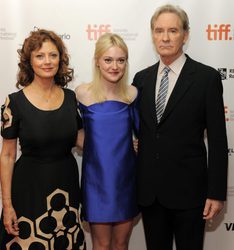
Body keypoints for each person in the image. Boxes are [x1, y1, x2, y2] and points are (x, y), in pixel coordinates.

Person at [132, 4, 228, 250]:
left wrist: (216, 193)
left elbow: (218, 141)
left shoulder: (206, 78)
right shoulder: (140, 80)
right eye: (159, 30)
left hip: (190, 194)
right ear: (152, 35)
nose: (165, 37)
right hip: (150, 195)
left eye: (173, 30)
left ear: (185, 35)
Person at [0, 29, 86, 249]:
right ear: (29, 61)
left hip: (66, 186)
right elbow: (7, 156)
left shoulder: (72, 98)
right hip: (29, 190)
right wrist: (7, 206)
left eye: (53, 55)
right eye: (40, 55)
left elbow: (82, 141)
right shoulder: (14, 102)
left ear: (60, 59)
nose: (47, 61)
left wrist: (121, 143)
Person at [75, 33, 139, 250]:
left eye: (121, 60)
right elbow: (73, 132)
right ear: (97, 61)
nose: (115, 66)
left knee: (121, 244)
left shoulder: (133, 94)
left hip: (125, 180)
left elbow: (144, 134)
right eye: (108, 60)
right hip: (97, 182)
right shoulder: (82, 93)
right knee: (101, 245)